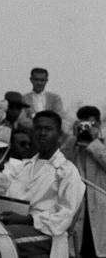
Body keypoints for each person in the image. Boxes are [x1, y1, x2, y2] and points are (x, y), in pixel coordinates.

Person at [0, 110, 84, 258]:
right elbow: (1, 187)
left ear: (59, 134)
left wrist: (29, 219)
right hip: (14, 225)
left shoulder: (67, 171)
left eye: (48, 129)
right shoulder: (23, 167)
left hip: (48, 234)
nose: (42, 133)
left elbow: (64, 217)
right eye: (38, 129)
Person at [62, 106, 106, 258]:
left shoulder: (102, 145)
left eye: (91, 125)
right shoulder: (72, 145)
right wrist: (73, 138)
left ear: (99, 124)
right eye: (83, 124)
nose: (86, 129)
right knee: (77, 250)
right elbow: (60, 166)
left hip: (100, 210)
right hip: (78, 208)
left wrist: (94, 144)